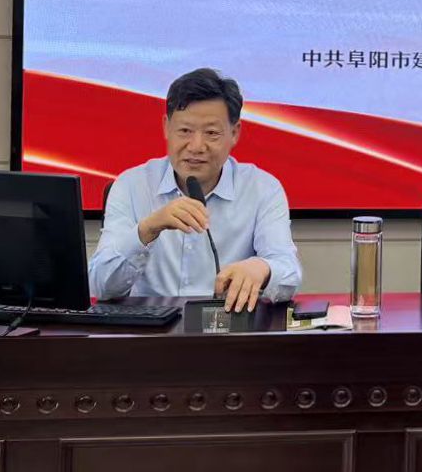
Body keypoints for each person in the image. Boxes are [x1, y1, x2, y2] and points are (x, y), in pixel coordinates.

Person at [91, 68, 301, 311]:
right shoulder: (131, 185)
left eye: (211, 133)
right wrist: (147, 230)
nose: (196, 146)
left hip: (226, 327)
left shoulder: (262, 189)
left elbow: (288, 271)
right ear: (166, 127)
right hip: (149, 330)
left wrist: (263, 269)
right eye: (185, 131)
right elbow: (100, 285)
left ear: (234, 133)